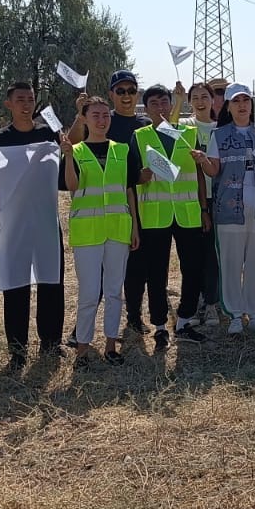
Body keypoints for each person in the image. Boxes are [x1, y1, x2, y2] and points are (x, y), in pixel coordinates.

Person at [0, 82, 67, 364]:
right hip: (13, 224)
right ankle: (17, 350)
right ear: (8, 104)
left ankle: (51, 343)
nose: (26, 104)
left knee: (52, 283)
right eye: (20, 99)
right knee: (16, 286)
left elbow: (62, 177)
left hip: (46, 220)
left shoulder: (49, 136)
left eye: (31, 99)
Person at [196, 84, 255, 334]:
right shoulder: (219, 134)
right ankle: (235, 313)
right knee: (231, 261)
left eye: (246, 100)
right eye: (236, 101)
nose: (242, 105)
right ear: (227, 106)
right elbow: (214, 170)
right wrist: (204, 161)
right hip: (228, 208)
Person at [128, 85, 209, 349]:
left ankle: (184, 320)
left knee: (193, 268)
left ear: (173, 104)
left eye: (165, 103)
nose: (161, 109)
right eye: (155, 104)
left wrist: (204, 209)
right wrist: (143, 176)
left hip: (188, 214)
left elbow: (198, 173)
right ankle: (160, 325)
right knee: (156, 273)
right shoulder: (139, 136)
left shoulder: (188, 133)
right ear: (147, 108)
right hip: (155, 216)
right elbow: (133, 178)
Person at [62, 97, 140, 366]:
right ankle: (82, 348)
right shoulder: (77, 151)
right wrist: (69, 156)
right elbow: (72, 186)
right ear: (84, 118)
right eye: (95, 115)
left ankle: (110, 345)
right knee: (88, 292)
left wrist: (135, 227)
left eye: (105, 115)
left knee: (114, 291)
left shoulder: (121, 150)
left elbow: (128, 190)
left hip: (118, 228)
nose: (101, 120)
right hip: (87, 231)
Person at [177, 82, 221, 332]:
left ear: (213, 100)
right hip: (192, 198)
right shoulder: (185, 128)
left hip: (218, 198)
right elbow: (165, 130)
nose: (200, 101)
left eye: (205, 96)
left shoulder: (221, 129)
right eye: (195, 98)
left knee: (213, 255)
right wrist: (176, 101)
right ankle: (194, 302)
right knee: (193, 257)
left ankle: (212, 302)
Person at [69, 70, 150, 146]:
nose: (126, 95)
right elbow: (72, 145)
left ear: (137, 95)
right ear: (111, 95)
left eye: (131, 91)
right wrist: (80, 114)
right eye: (120, 91)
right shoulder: (102, 120)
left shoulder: (147, 124)